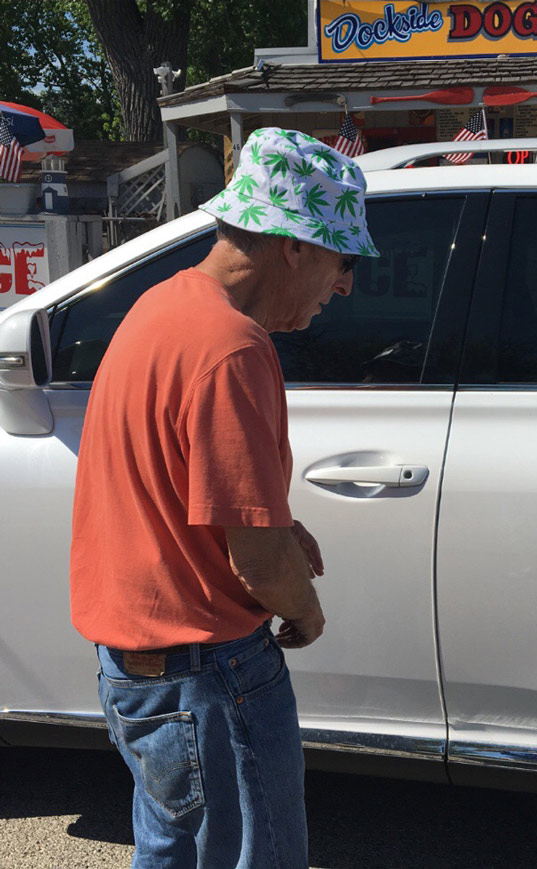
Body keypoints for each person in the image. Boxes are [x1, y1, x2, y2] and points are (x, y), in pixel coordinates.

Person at [70, 127, 379, 869]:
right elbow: (259, 564)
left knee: (176, 849)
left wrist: (273, 518)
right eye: (342, 259)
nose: (344, 285)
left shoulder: (163, 308)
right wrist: (303, 606)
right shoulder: (233, 347)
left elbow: (178, 485)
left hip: (140, 670)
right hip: (209, 675)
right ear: (293, 245)